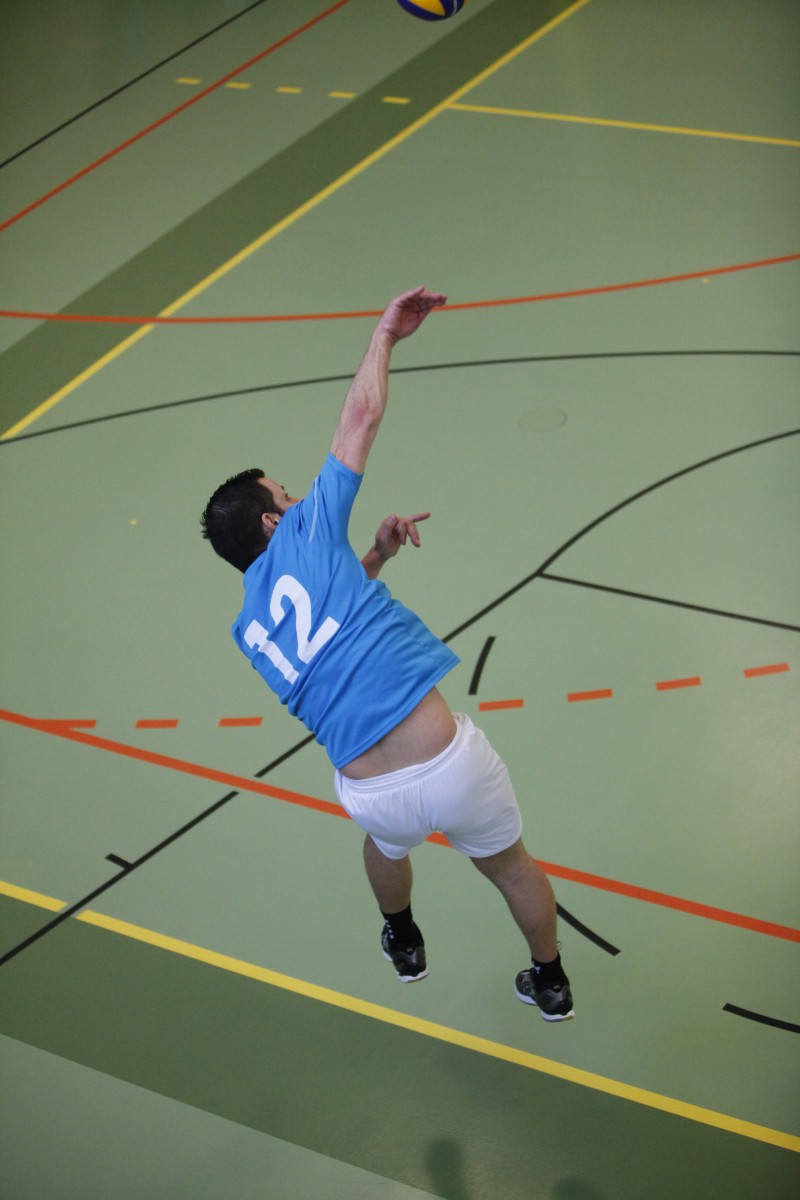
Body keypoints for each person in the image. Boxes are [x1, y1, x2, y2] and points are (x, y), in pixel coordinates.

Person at [201, 286, 574, 1021]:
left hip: (372, 793)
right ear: (274, 522)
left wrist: (372, 557)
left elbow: (326, 636)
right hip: (450, 765)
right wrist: (384, 336)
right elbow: (361, 418)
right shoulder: (306, 530)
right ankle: (551, 981)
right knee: (511, 868)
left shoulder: (250, 630)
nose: (300, 497)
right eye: (288, 494)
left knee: (385, 843)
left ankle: (402, 937)